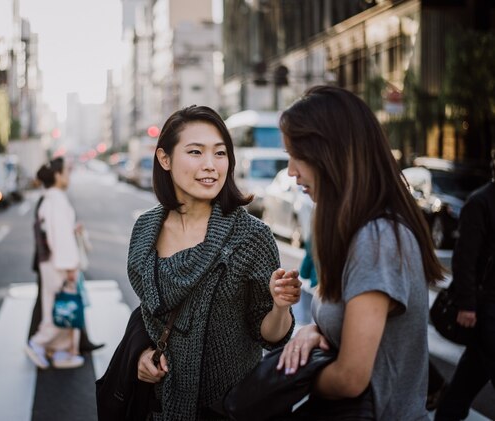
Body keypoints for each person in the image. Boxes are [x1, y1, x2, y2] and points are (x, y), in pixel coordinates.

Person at [276, 86, 444, 420]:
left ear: (329, 155)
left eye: (297, 157)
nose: (292, 172)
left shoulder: (376, 239)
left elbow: (351, 378)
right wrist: (315, 332)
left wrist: (290, 383)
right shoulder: (358, 231)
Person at [127, 105, 301, 420]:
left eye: (220, 154)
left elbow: (270, 335)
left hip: (226, 409)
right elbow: (148, 312)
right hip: (158, 406)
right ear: (164, 159)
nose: (211, 165)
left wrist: (280, 306)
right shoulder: (144, 229)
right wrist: (141, 353)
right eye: (195, 152)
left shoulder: (251, 237)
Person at [435, 151, 495, 421]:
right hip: (486, 306)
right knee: (477, 367)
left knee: (473, 371)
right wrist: (467, 305)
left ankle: (447, 412)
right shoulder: (480, 202)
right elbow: (464, 258)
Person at [25, 157, 85, 369]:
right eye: (66, 172)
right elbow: (60, 237)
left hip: (50, 262)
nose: (68, 175)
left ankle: (61, 352)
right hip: (58, 264)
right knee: (59, 310)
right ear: (58, 176)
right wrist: (70, 267)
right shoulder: (56, 200)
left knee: (58, 307)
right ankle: (38, 343)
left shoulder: (50, 198)